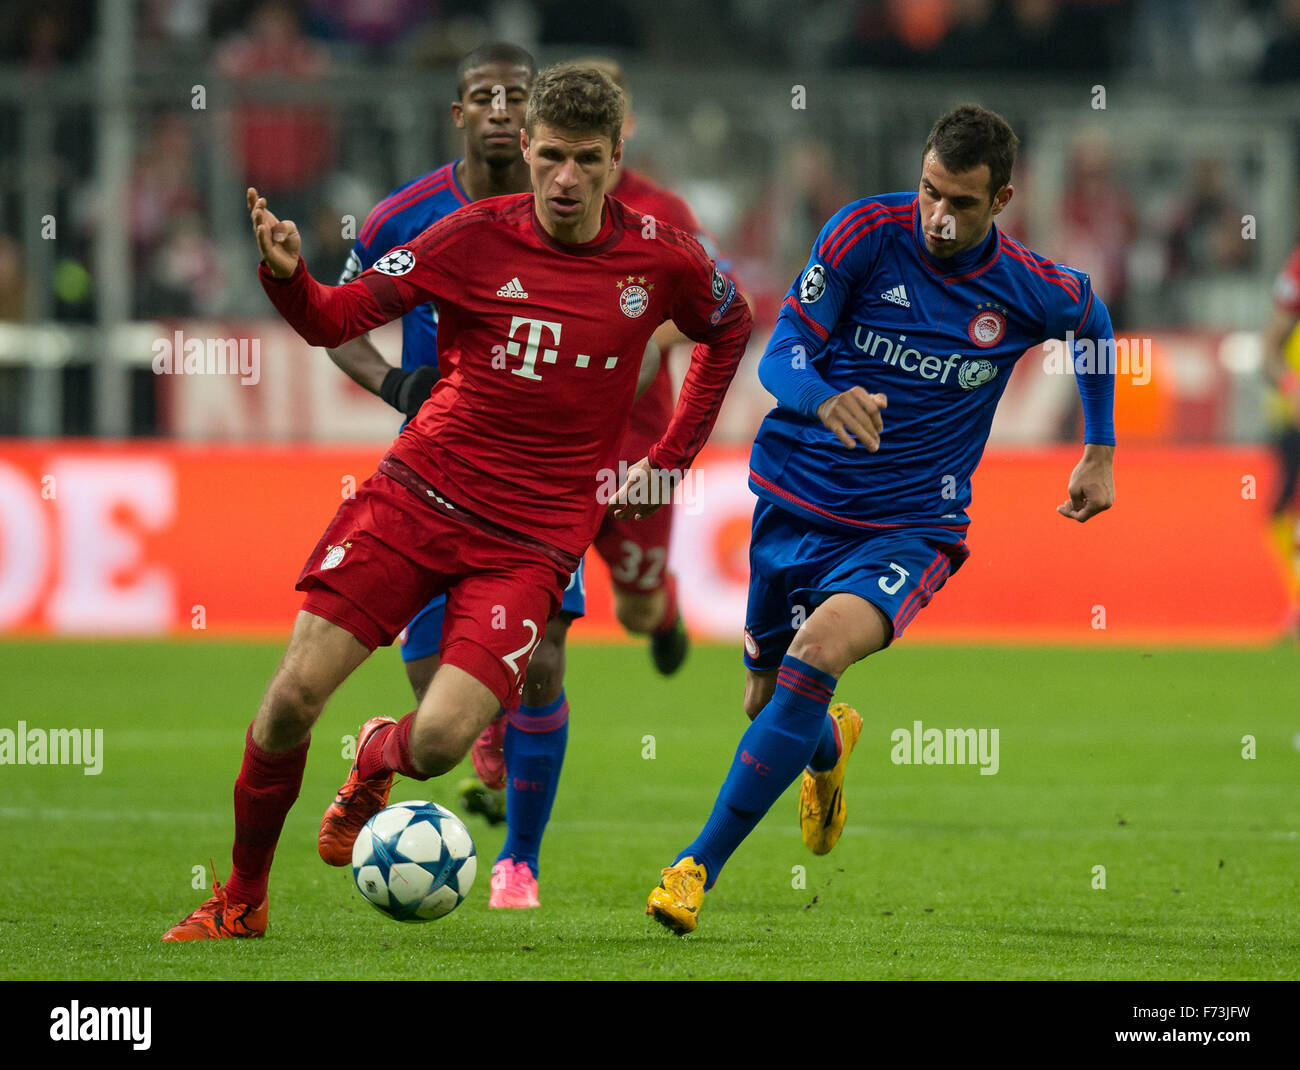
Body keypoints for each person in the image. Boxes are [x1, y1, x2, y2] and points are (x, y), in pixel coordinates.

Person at [162, 63, 751, 941]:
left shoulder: (661, 258)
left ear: (616, 156)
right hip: (419, 496)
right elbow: (335, 317)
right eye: (550, 156)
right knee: (289, 701)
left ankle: (376, 755)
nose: (564, 179)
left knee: (437, 748)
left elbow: (731, 324)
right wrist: (288, 277)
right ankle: (242, 898)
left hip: (531, 542)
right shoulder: (469, 237)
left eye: (587, 160)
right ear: (526, 145)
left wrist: (670, 459)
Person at [645, 103, 1116, 935]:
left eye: (962, 203)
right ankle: (827, 746)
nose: (938, 216)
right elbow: (784, 351)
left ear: (1001, 201)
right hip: (796, 498)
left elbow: (1092, 323)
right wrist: (825, 399)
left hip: (911, 524)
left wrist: (1100, 448)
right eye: (931, 190)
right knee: (767, 701)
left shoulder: (1026, 289)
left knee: (816, 653)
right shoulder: (865, 233)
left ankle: (694, 868)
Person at [1259, 242, 1300, 637]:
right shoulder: (1298, 267)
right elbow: (1269, 350)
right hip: (1294, 421)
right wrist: (1292, 387)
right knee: (1283, 513)